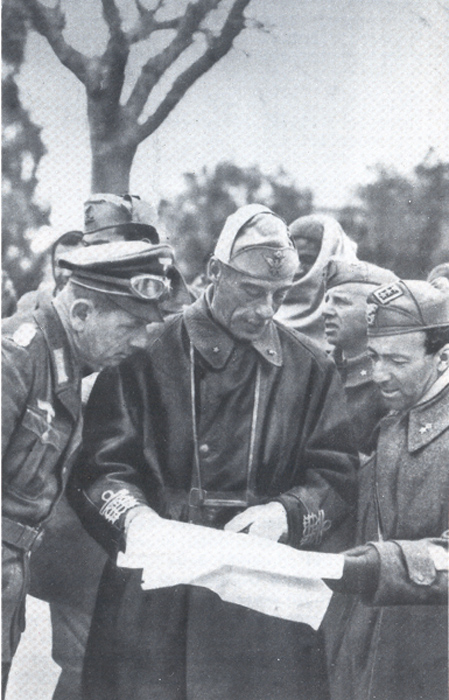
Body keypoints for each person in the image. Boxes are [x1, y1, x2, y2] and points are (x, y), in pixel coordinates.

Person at [69, 203, 358, 700]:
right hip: (155, 593)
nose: (266, 310)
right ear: (214, 272)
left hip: (263, 600)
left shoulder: (310, 367)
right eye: (251, 290)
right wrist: (136, 520)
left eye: (280, 294)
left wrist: (286, 514)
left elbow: (336, 474)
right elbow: (98, 467)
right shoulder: (144, 349)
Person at [1, 240, 182, 698]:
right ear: (81, 312)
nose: (141, 341)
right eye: (130, 325)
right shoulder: (15, 358)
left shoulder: (60, 363)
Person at [325, 279, 449, 700]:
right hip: (376, 659)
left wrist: (382, 566)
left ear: (443, 356)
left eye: (396, 360)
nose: (379, 374)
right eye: (374, 356)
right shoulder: (394, 423)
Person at [322, 258, 398, 454]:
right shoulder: (316, 369)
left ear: (376, 312)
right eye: (327, 300)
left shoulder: (391, 383)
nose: (325, 311)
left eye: (341, 302)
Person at [275, 214, 358, 347]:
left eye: (307, 260)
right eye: (291, 259)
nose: (297, 270)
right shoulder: (266, 310)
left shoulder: (356, 317)